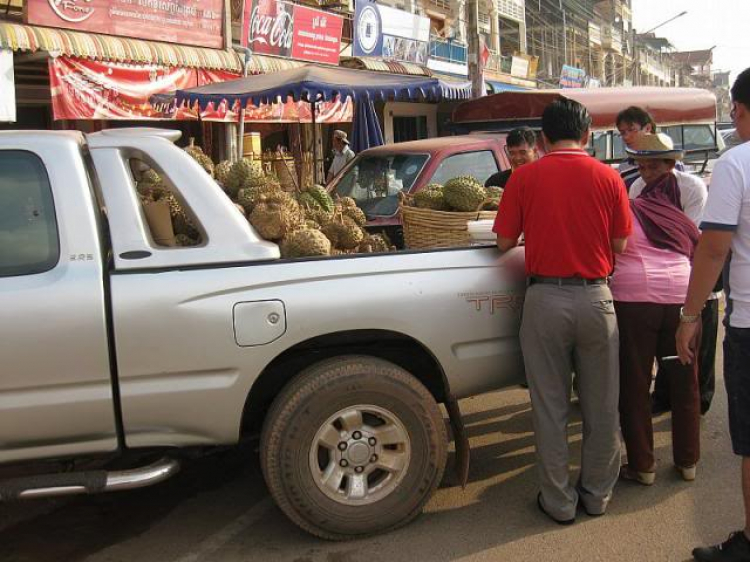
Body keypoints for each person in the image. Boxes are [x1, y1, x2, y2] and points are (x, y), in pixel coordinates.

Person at [494, 98, 631, 524]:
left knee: (550, 406)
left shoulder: (524, 177)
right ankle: (597, 494)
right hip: (596, 298)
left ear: (542, 139)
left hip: (545, 300)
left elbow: (502, 242)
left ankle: (558, 502)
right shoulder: (610, 178)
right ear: (588, 135)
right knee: (602, 404)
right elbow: (620, 245)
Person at [677, 67, 750, 562]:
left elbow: (713, 249)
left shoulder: (736, 162)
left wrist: (690, 313)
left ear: (740, 111)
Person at [611, 133, 701, 487]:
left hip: (635, 301)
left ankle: (643, 466)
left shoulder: (630, 204)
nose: (645, 171)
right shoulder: (683, 203)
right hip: (683, 297)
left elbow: (614, 247)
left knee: (634, 384)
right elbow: (697, 243)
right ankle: (688, 462)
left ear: (670, 164)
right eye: (641, 165)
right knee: (684, 381)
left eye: (653, 165)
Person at [616, 106, 686, 190]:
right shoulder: (624, 167)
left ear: (648, 128)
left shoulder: (668, 159)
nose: (626, 137)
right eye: (622, 132)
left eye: (631, 130)